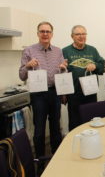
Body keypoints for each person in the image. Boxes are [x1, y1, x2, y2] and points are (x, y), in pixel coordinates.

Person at [19, 21, 66, 172]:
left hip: (54, 92)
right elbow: (21, 76)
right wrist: (27, 66)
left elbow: (62, 73)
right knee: (39, 130)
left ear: (52, 34)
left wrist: (64, 68)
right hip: (38, 94)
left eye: (48, 31)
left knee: (55, 128)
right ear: (38, 33)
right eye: (42, 31)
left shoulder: (58, 51)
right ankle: (39, 163)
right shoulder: (29, 50)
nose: (45, 34)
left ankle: (56, 159)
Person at [62, 25, 105, 131]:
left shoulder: (92, 50)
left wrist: (95, 66)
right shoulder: (65, 51)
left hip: (91, 93)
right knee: (75, 123)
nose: (81, 36)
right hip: (73, 94)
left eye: (83, 34)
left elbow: (102, 67)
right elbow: (61, 73)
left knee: (91, 122)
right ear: (72, 36)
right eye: (78, 34)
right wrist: (63, 93)